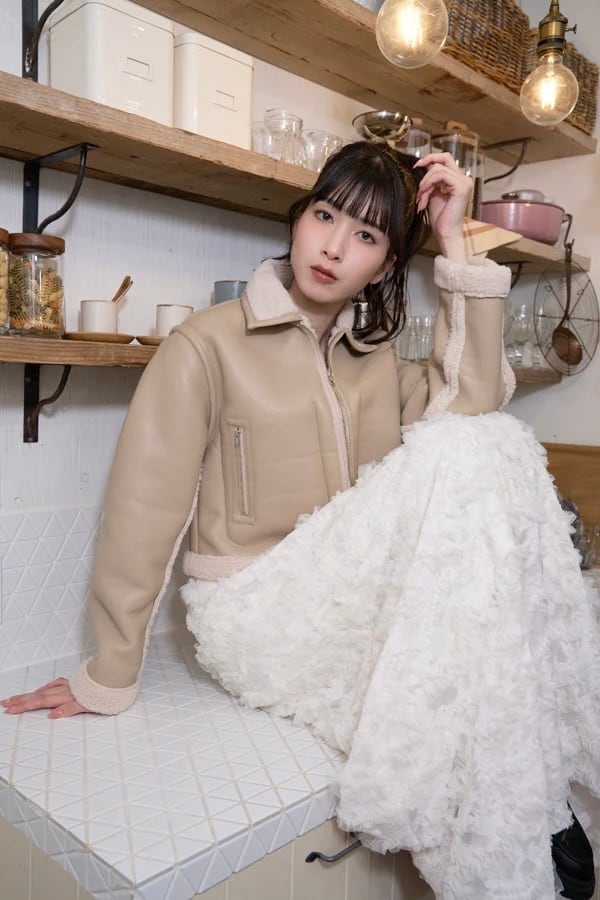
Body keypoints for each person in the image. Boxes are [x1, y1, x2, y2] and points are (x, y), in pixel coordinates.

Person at [2, 141, 512, 718]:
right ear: (299, 219)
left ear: (386, 267)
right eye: (325, 215)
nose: (334, 247)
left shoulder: (376, 359)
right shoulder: (205, 344)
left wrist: (454, 242)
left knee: (490, 451)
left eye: (367, 236)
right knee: (458, 691)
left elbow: (473, 404)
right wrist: (111, 672)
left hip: (350, 602)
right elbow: (144, 511)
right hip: (255, 605)